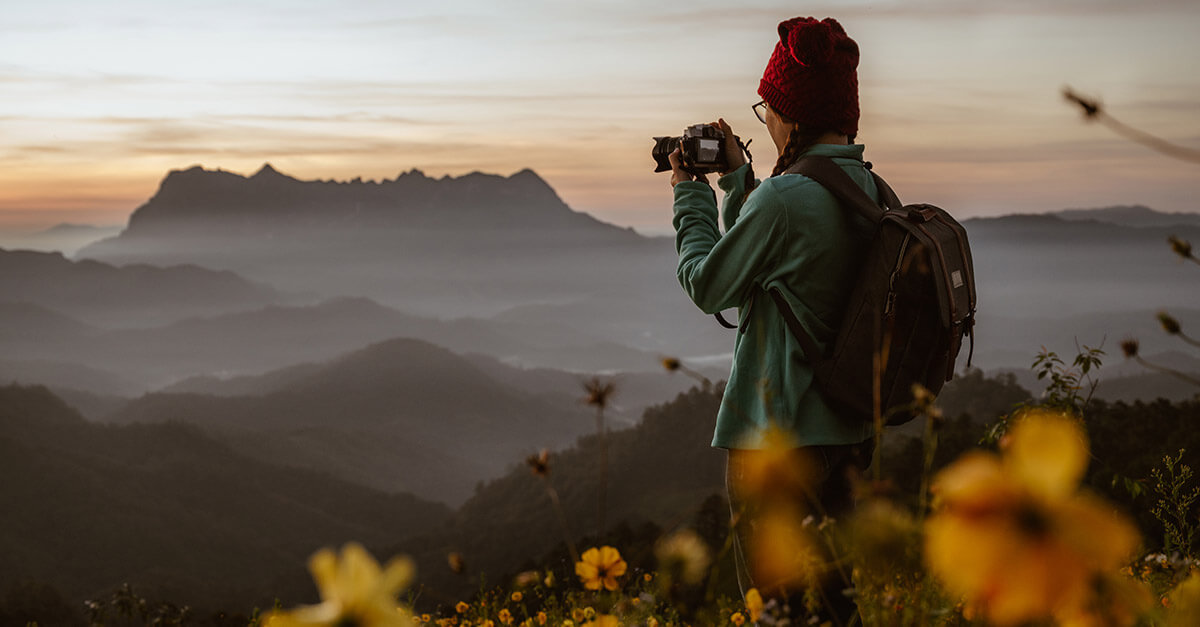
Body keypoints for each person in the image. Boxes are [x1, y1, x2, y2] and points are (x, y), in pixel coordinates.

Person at [666, 16, 876, 623]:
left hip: (776, 445)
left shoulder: (786, 198)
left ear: (791, 113)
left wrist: (690, 194)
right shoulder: (866, 187)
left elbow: (710, 285)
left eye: (769, 107)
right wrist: (739, 181)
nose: (768, 120)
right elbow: (777, 266)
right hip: (848, 440)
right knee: (836, 609)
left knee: (780, 612)